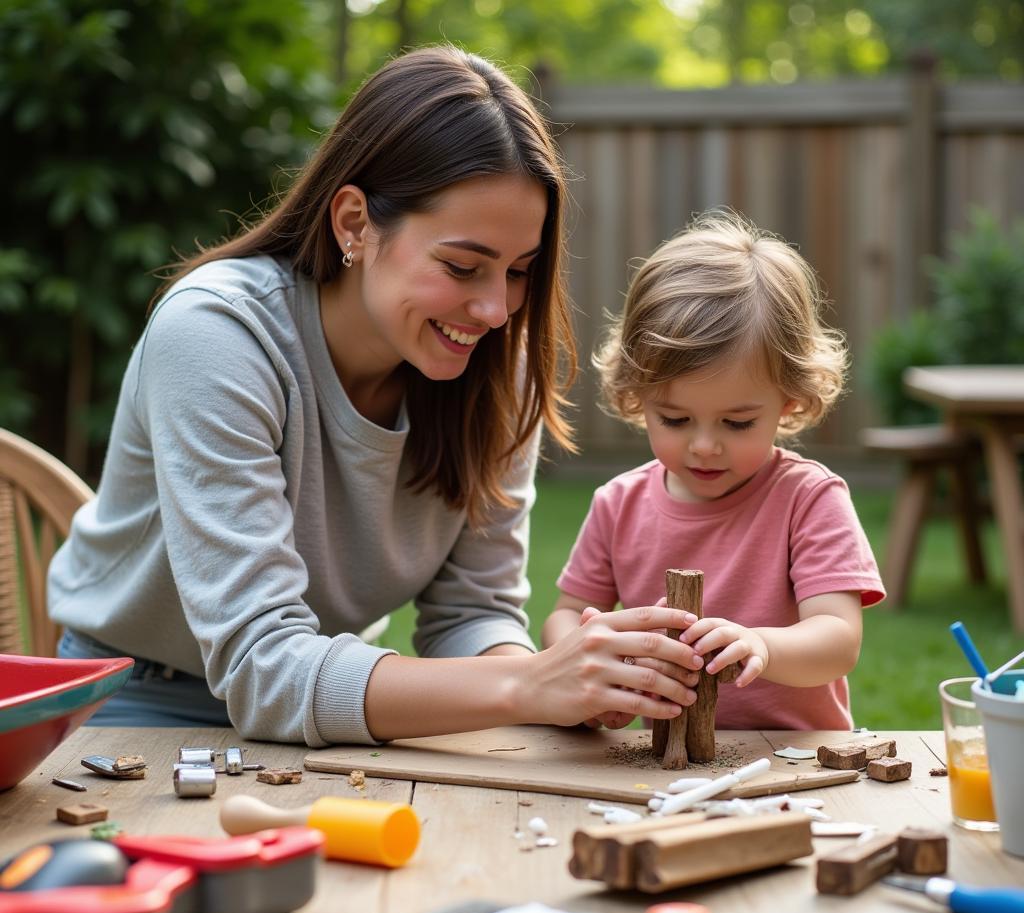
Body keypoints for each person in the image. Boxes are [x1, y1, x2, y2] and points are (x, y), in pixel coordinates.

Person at [49, 46, 699, 745]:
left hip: (340, 714)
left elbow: (469, 612)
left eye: (518, 271)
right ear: (354, 223)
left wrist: (570, 687)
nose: (494, 310)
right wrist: (531, 683)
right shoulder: (216, 335)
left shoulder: (495, 365)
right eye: (462, 266)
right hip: (134, 712)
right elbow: (262, 668)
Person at [542, 212, 885, 731]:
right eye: (674, 419)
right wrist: (595, 657)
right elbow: (566, 614)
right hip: (663, 764)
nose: (704, 446)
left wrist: (759, 643)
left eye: (738, 422)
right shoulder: (618, 502)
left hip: (793, 761)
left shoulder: (808, 498)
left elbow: (838, 640)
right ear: (636, 394)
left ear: (789, 401)